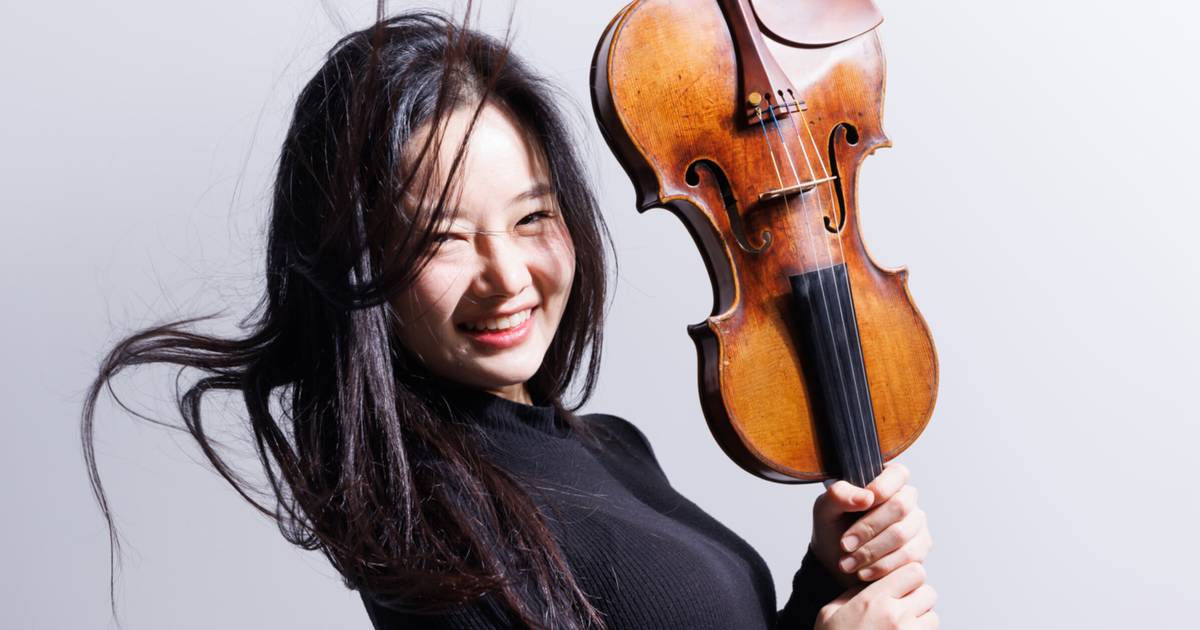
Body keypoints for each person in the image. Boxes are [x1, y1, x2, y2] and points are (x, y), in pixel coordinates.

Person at [82, 9, 936, 629]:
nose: (507, 278)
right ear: (358, 262)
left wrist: (828, 579)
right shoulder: (432, 538)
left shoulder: (606, 446)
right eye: (440, 239)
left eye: (532, 218)